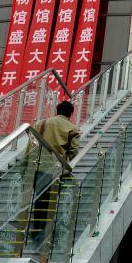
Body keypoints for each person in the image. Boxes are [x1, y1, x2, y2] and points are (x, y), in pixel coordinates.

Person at [31, 101, 80, 245]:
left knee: (40, 200)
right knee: (50, 202)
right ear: (70, 114)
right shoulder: (72, 128)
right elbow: (74, 153)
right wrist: (69, 169)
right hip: (56, 171)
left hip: (38, 168)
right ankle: (44, 236)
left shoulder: (41, 123)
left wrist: (25, 168)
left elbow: (31, 145)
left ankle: (36, 233)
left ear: (57, 110)